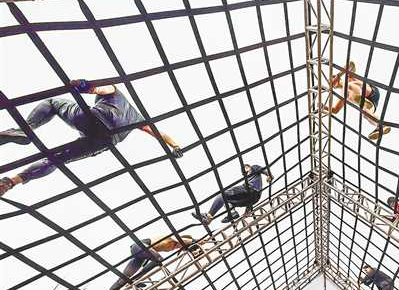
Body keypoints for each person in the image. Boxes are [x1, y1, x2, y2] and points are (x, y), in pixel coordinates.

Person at [0, 79, 183, 197]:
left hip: (97, 118)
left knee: (52, 103)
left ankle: (25, 129)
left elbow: (104, 88)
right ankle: (11, 182)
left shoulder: (117, 93)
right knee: (56, 159)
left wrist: (85, 86)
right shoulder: (138, 118)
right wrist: (175, 146)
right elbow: (158, 133)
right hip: (105, 142)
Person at [92, 235, 199, 290]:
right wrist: (196, 242)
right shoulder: (173, 237)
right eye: (181, 245)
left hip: (141, 254)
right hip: (140, 246)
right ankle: (137, 280)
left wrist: (191, 251)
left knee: (123, 280)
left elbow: (150, 257)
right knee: (159, 259)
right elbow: (188, 240)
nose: (178, 247)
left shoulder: (174, 245)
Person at [323, 61, 391, 141]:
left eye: (332, 80)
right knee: (365, 114)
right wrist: (323, 106)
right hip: (370, 102)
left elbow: (351, 64)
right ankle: (380, 125)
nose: (333, 83)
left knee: (348, 87)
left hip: (370, 91)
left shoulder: (349, 77)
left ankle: (358, 98)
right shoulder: (342, 95)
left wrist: (338, 75)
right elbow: (335, 110)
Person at [191, 164, 273, 226]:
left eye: (244, 170)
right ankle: (232, 213)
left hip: (249, 189)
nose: (243, 173)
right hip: (254, 198)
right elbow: (250, 200)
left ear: (247, 167)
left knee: (222, 195)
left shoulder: (253, 168)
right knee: (228, 202)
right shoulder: (247, 179)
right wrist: (247, 211)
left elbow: (263, 169)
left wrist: (269, 175)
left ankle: (208, 216)